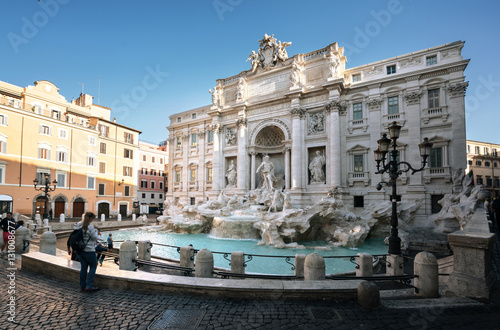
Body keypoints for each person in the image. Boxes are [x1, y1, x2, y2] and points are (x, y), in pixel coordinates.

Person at [74, 212, 100, 291]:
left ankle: (82, 286)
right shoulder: (90, 227)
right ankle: (89, 285)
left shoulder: (78, 225)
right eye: (93, 218)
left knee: (83, 268)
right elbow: (94, 238)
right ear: (91, 218)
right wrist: (96, 231)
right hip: (89, 250)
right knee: (93, 266)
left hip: (80, 250)